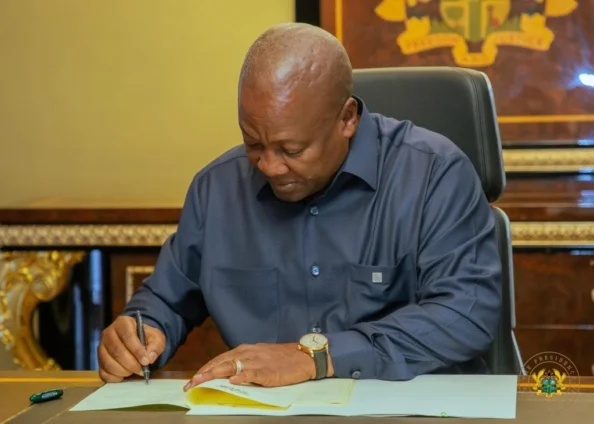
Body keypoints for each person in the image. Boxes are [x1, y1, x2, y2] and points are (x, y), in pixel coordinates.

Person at [97, 23, 502, 390]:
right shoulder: (216, 189)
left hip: (409, 409)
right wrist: (140, 334)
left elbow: (466, 313)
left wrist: (315, 358)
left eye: (291, 149)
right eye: (253, 144)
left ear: (347, 119)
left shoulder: (433, 174)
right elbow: (166, 300)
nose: (269, 166)